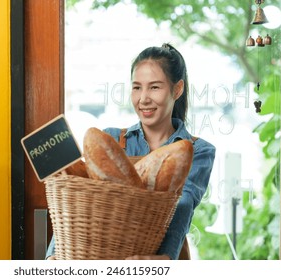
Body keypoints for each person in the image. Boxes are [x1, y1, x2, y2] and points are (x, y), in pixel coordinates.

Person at [46, 43, 216, 260]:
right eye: (137, 87)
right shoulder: (112, 140)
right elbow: (78, 196)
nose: (143, 98)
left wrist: (165, 260)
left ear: (177, 89)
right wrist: (54, 256)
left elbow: (183, 204)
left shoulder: (198, 149)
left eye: (154, 87)